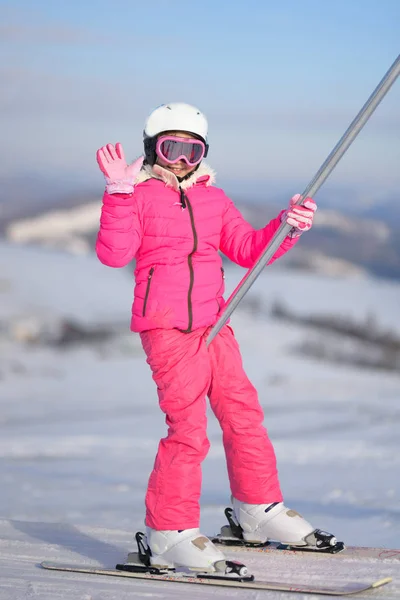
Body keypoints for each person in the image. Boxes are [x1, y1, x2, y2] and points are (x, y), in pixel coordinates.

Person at [95, 102, 336, 573]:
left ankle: (257, 509)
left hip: (215, 323)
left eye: (193, 150)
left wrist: (286, 228)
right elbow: (114, 254)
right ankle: (169, 532)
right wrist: (119, 193)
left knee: (243, 413)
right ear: (152, 149)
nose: (183, 161)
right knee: (187, 431)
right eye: (173, 149)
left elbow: (248, 249)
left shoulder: (214, 200)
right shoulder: (138, 195)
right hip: (166, 328)